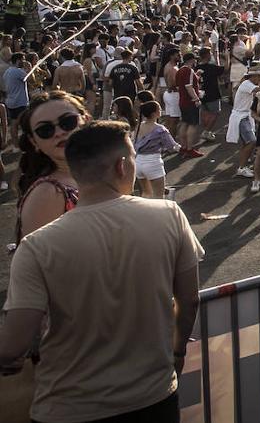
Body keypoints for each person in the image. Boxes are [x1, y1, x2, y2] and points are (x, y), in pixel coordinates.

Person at [0, 121, 202, 423]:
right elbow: (188, 301)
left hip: (69, 406)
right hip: (153, 395)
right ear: (122, 166)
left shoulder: (36, 246)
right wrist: (177, 351)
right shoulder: (168, 215)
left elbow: (15, 343)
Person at [14, 92, 86, 243]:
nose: (60, 133)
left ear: (84, 120)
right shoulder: (48, 193)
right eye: (45, 130)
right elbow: (37, 262)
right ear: (34, 141)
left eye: (67, 122)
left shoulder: (101, 170)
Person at [133, 99, 179, 199]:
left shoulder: (138, 126)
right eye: (159, 109)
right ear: (154, 113)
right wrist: (180, 148)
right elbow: (172, 146)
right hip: (153, 162)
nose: (161, 110)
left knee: (146, 193)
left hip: (138, 162)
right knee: (159, 195)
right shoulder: (160, 129)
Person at [227, 64, 260, 181]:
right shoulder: (247, 84)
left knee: (247, 143)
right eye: (259, 77)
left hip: (244, 116)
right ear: (254, 77)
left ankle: (243, 166)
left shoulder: (248, 84)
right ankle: (242, 167)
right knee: (251, 141)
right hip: (241, 117)